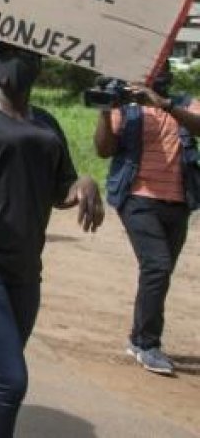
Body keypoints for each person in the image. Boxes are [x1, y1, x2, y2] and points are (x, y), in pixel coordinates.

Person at [0, 40, 103, 438]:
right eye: (9, 54)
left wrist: (86, 183)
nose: (19, 63)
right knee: (9, 380)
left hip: (24, 269)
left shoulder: (46, 123)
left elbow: (62, 188)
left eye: (29, 55)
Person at [93, 61, 199, 376]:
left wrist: (163, 104)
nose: (158, 74)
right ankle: (146, 343)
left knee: (159, 273)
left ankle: (140, 337)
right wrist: (105, 109)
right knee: (157, 266)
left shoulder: (183, 103)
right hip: (138, 199)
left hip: (179, 202)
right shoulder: (126, 109)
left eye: (162, 68)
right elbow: (103, 149)